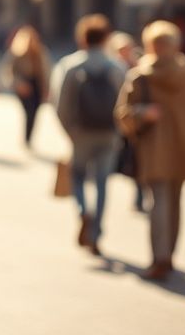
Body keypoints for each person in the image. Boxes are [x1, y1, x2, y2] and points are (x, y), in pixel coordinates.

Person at [115, 20, 185, 281]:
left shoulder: (140, 75)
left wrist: (142, 113)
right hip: (183, 149)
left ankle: (160, 258)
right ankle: (168, 255)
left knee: (158, 203)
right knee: (174, 203)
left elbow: (123, 115)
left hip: (154, 150)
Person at [53, 14, 124, 257]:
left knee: (79, 177)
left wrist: (69, 132)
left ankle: (84, 210)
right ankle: (95, 233)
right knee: (103, 183)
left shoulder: (71, 66)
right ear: (106, 38)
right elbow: (125, 103)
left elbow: (61, 105)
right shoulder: (116, 67)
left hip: (81, 132)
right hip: (108, 133)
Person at [107, 31, 146, 212]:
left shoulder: (140, 67)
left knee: (137, 159)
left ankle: (139, 195)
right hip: (119, 121)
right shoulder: (112, 68)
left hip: (135, 123)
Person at [2, 25, 50, 148]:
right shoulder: (16, 52)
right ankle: (26, 138)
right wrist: (18, 84)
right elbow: (8, 71)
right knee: (28, 112)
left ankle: (30, 137)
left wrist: (46, 88)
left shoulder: (40, 52)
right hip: (23, 83)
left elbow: (45, 71)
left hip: (36, 84)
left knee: (35, 112)